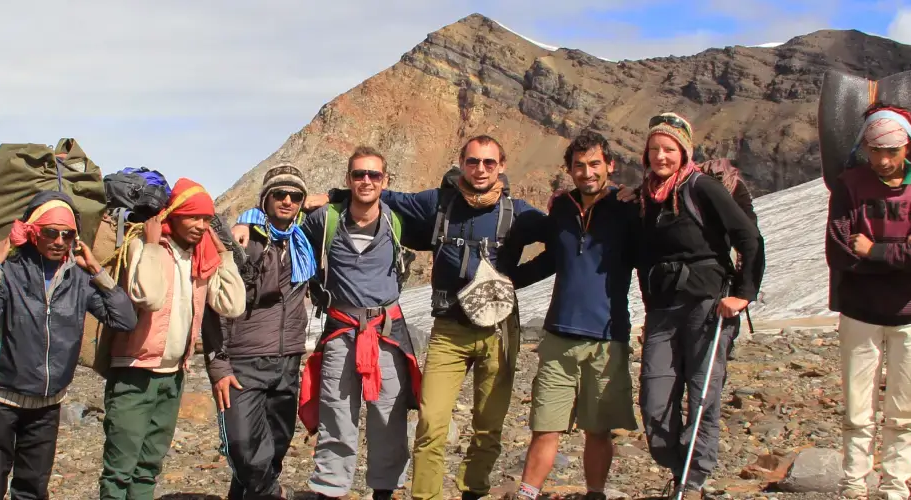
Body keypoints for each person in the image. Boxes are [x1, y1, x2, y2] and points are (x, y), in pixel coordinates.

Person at [307, 136, 545, 500]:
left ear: (502, 166)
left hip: (498, 329)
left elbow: (562, 241)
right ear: (461, 163)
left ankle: (473, 490)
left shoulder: (520, 212)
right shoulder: (438, 202)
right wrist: (333, 194)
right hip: (449, 328)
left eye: (489, 163)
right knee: (431, 422)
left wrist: (516, 280)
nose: (480, 170)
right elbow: (382, 195)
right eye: (473, 162)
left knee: (488, 426)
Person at [0, 191, 139, 500]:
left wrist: (98, 272)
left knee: (32, 490)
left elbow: (124, 319)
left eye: (67, 234)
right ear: (33, 232)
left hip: (46, 406)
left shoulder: (78, 280)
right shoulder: (9, 274)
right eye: (50, 232)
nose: (59, 241)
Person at [826, 105, 911, 500]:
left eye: (892, 151)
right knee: (856, 409)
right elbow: (839, 253)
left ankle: (895, 488)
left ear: (907, 147)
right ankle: (853, 487)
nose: (883, 160)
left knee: (904, 411)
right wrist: (906, 254)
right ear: (864, 147)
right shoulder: (849, 186)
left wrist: (875, 253)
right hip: (861, 313)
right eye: (875, 150)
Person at [506, 133, 640, 500]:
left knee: (598, 429)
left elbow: (648, 256)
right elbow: (554, 259)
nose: (587, 172)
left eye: (595, 164)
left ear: (609, 165)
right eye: (579, 166)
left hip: (607, 337)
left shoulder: (628, 207)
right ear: (569, 170)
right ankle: (527, 494)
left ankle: (595, 493)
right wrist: (509, 280)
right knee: (545, 427)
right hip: (559, 336)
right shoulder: (561, 208)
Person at [634, 113, 761, 500]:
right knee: (654, 402)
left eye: (669, 149)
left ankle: (692, 481)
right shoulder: (644, 196)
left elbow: (748, 237)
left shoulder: (701, 187)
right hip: (662, 308)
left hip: (707, 304)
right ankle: (678, 469)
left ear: (684, 151)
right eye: (654, 149)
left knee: (702, 395)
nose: (661, 156)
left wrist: (744, 293)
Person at [99, 178, 247, 500]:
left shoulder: (201, 257)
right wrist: (151, 246)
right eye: (193, 216)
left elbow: (233, 305)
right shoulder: (143, 245)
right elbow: (148, 297)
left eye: (207, 219)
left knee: (149, 464)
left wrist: (224, 255)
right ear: (175, 214)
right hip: (134, 373)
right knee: (119, 469)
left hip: (173, 377)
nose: (200, 225)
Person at [287, 147, 422, 500]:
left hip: (387, 333)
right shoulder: (325, 220)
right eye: (359, 174)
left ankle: (384, 491)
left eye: (374, 175)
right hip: (340, 333)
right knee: (336, 416)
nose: (366, 180)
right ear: (348, 180)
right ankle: (329, 490)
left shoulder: (396, 221)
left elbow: (445, 205)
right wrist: (246, 221)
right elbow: (284, 224)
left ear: (385, 181)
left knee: (389, 416)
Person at [200, 164, 314, 499]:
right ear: (265, 199)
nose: (287, 201)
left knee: (274, 449)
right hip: (243, 364)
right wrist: (218, 366)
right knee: (244, 449)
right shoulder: (243, 241)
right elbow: (216, 303)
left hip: (287, 362)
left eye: (295, 196)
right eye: (279, 194)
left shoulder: (303, 241)